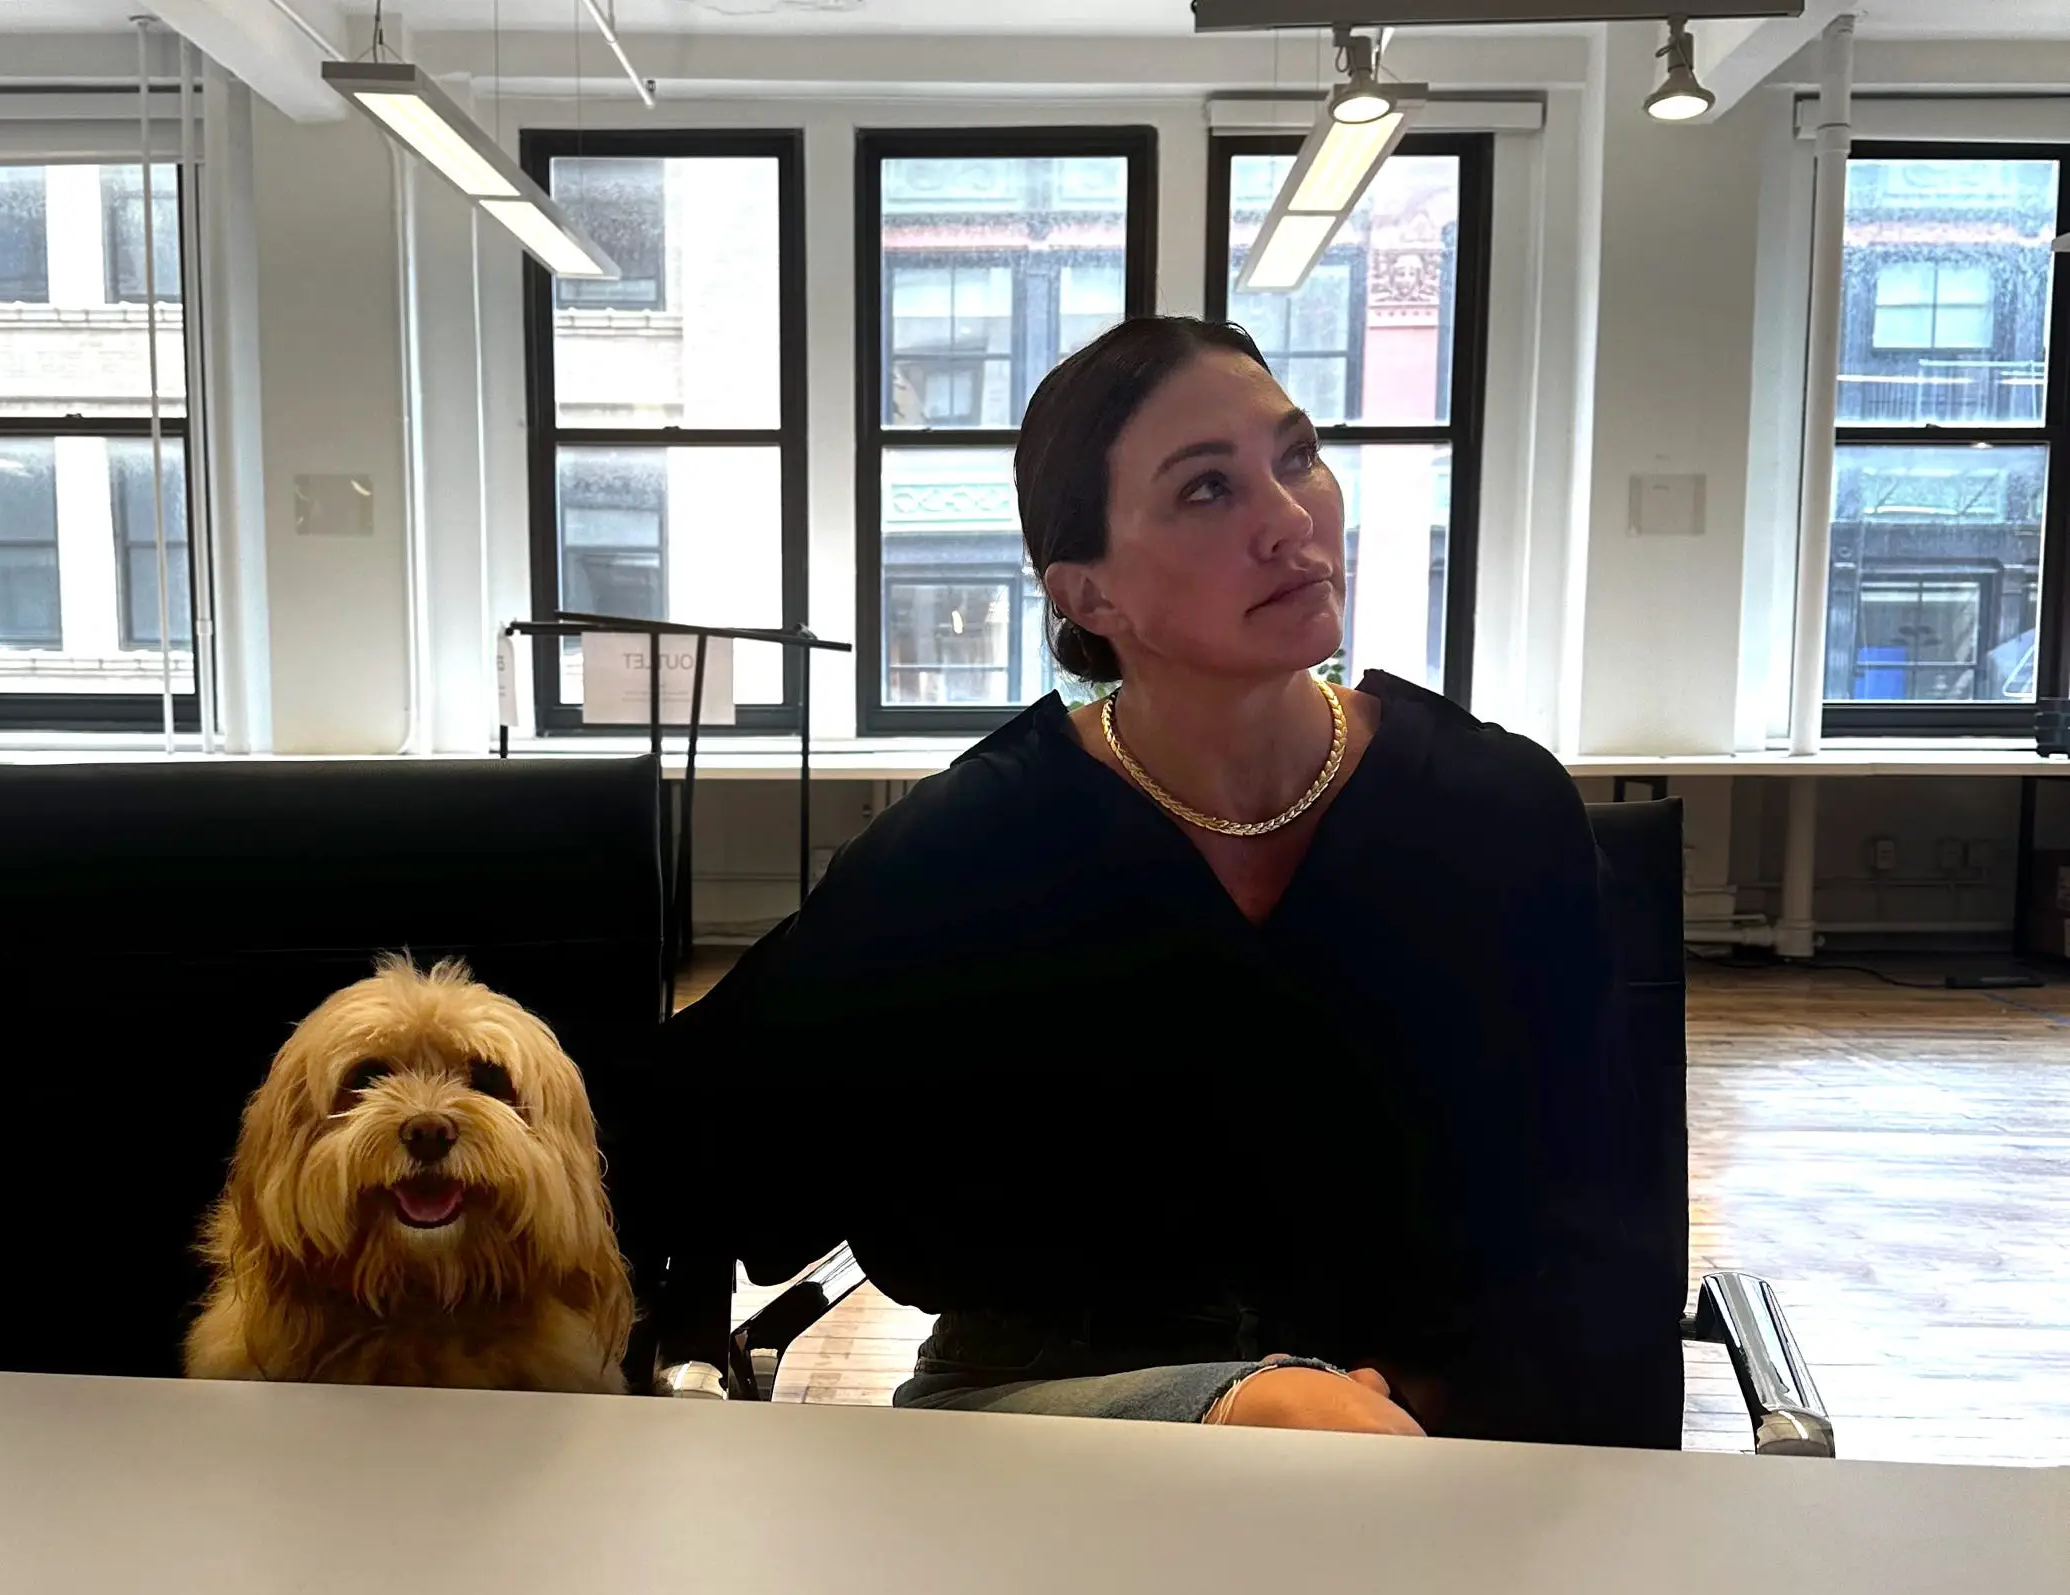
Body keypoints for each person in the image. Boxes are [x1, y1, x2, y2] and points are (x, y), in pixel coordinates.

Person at [657, 316, 1685, 1445]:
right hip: (1048, 1427)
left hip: (1428, 1436)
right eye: (1207, 489)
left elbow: (1600, 1228)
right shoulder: (964, 849)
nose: (1291, 519)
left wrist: (1437, 1407)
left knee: (1331, 1439)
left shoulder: (1496, 813)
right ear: (1089, 595)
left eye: (1297, 456)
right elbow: (693, 1139)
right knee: (1306, 1431)